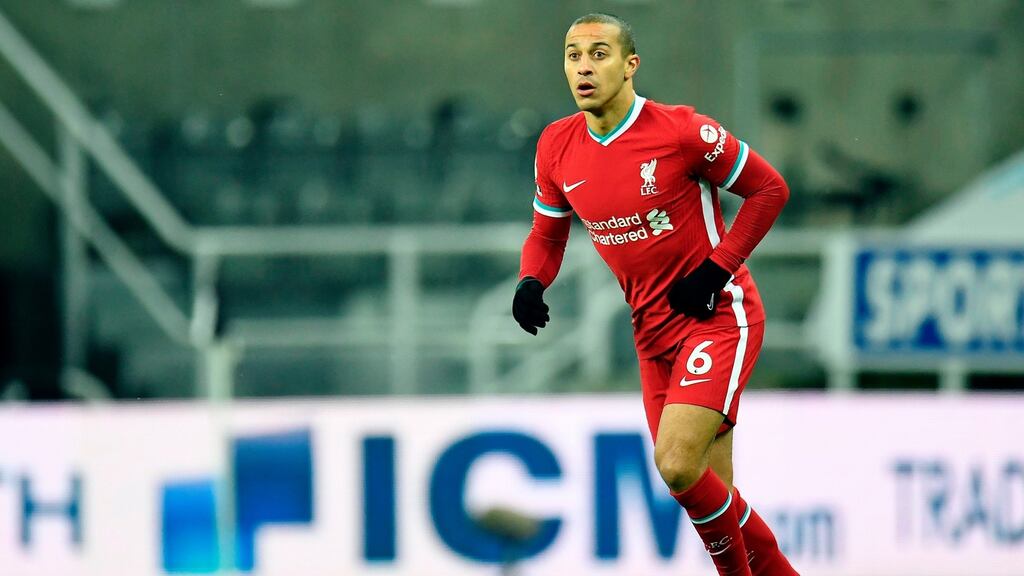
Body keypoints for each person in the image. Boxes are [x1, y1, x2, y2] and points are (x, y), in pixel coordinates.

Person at [512, 13, 799, 576]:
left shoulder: (680, 132)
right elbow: (547, 233)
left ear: (629, 65)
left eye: (599, 53)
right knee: (703, 486)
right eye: (573, 55)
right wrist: (531, 281)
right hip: (651, 332)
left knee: (674, 464)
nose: (584, 67)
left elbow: (770, 189)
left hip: (718, 316)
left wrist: (716, 270)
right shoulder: (557, 146)